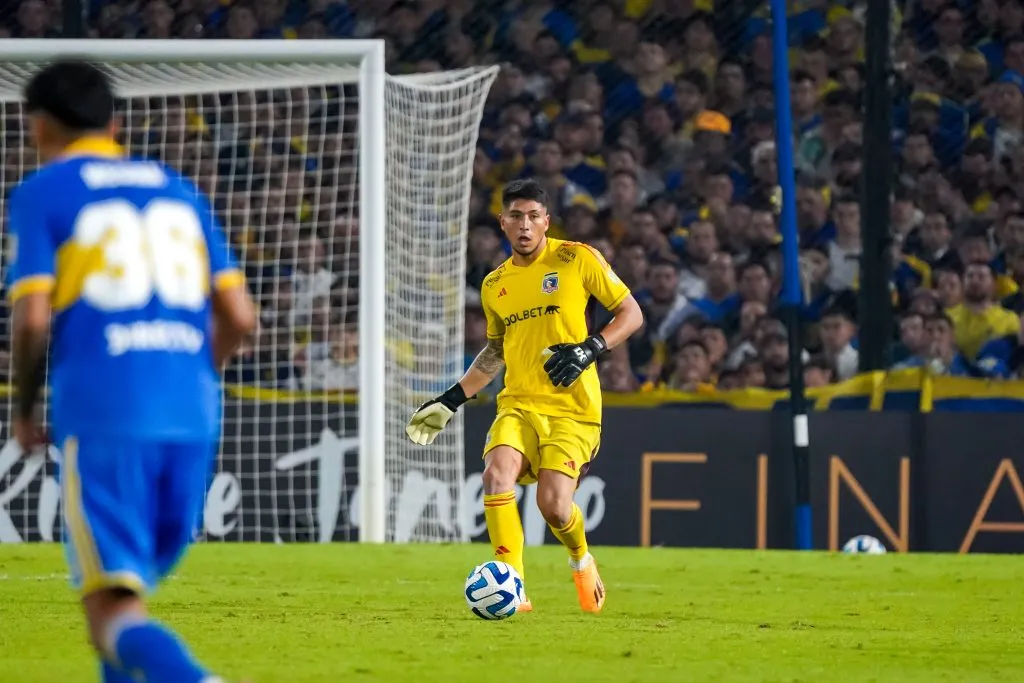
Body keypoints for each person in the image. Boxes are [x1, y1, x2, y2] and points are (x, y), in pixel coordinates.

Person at [7, 61, 256, 683]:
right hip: (193, 415)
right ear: (115, 123)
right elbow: (241, 317)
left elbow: (34, 319)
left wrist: (23, 408)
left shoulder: (44, 191)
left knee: (109, 612)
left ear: (36, 126)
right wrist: (196, 372)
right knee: (127, 602)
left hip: (107, 409)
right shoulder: (177, 187)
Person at [406, 178, 643, 613]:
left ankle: (580, 558)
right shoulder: (495, 284)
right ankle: (512, 584)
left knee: (553, 506)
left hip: (573, 409)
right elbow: (496, 351)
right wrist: (451, 399)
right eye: (516, 216)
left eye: (534, 216)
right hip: (517, 404)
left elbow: (631, 312)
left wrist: (591, 347)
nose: (525, 224)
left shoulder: (576, 258)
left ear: (546, 221)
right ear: (503, 223)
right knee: (496, 476)